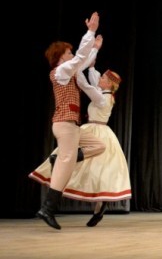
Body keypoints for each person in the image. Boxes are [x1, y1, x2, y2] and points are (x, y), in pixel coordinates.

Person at [30, 41, 131, 227]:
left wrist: (83, 69)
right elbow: (92, 78)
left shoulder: (104, 97)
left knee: (100, 169)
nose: (100, 77)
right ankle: (50, 204)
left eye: (103, 78)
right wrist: (90, 64)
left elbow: (87, 85)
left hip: (98, 130)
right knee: (79, 163)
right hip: (81, 126)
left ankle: (97, 207)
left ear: (109, 83)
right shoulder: (99, 90)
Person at [35, 12, 107, 230]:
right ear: (61, 57)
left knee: (99, 145)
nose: (72, 54)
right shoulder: (60, 71)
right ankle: (47, 208)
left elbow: (82, 61)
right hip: (64, 124)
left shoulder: (72, 72)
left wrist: (95, 48)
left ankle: (61, 158)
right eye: (69, 52)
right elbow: (79, 60)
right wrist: (90, 32)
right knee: (65, 167)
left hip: (73, 127)